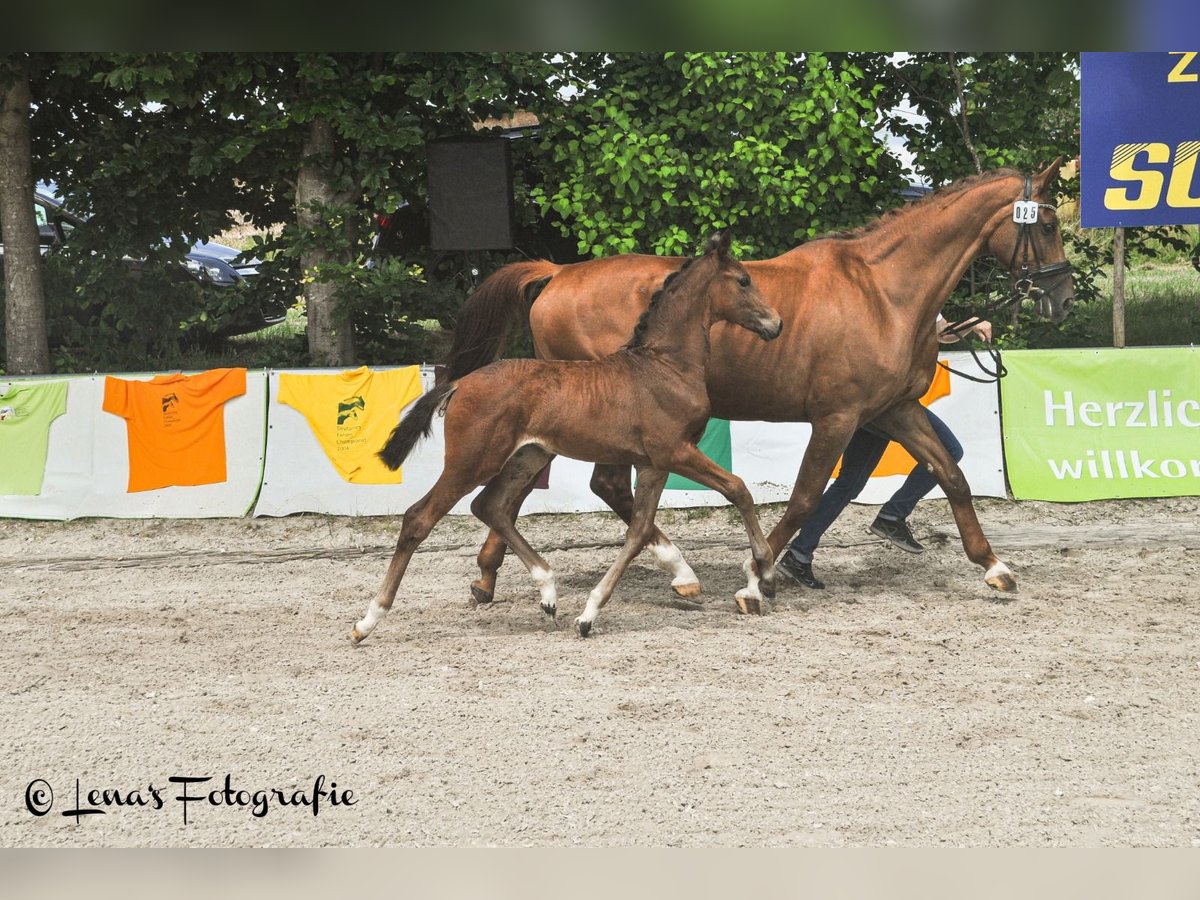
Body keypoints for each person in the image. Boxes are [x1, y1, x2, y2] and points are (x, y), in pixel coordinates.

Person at [776, 315, 992, 589]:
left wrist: (969, 324)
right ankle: (893, 516)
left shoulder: (910, 293)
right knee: (949, 450)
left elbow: (941, 332)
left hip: (871, 401)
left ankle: (798, 555)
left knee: (848, 484)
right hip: (888, 403)